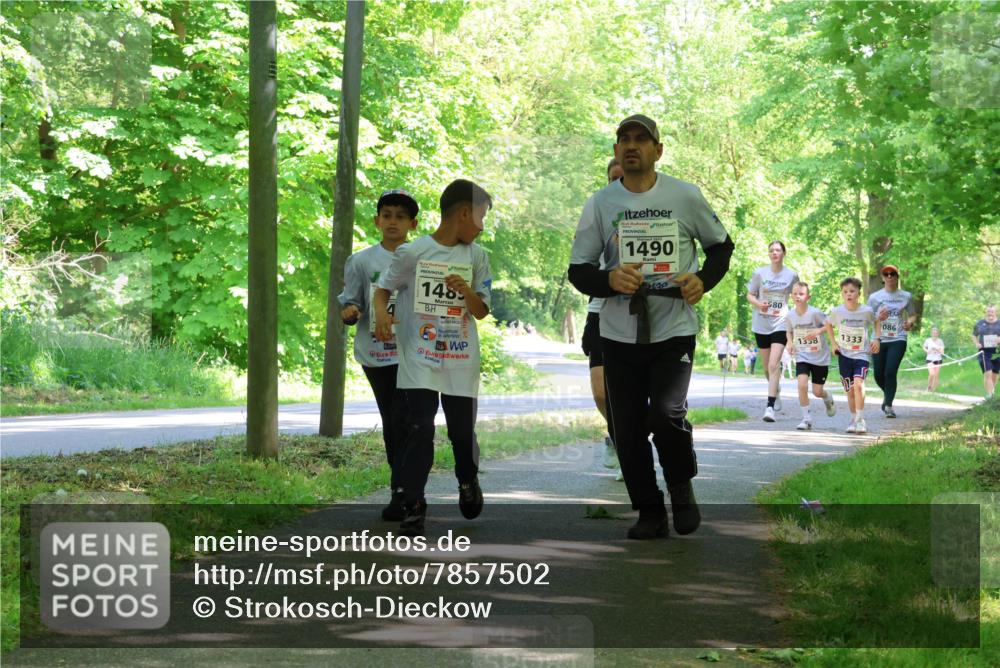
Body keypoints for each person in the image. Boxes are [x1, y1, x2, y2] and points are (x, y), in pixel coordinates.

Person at [568, 114, 734, 539]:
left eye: (642, 139)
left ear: (658, 150)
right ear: (616, 151)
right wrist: (608, 279)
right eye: (624, 139)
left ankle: (681, 489)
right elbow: (578, 270)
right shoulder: (600, 204)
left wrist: (703, 280)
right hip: (619, 331)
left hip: (673, 326)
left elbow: (721, 247)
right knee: (626, 425)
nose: (632, 145)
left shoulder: (684, 195)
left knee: (666, 413)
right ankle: (649, 510)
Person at [373, 179, 494, 536]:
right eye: (482, 217)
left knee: (460, 431)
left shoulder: (477, 257)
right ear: (464, 213)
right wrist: (381, 314)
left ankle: (467, 480)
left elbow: (482, 311)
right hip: (419, 358)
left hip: (460, 359)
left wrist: (467, 291)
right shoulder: (414, 253)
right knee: (418, 430)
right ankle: (414, 503)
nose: (483, 226)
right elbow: (383, 289)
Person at [338, 189, 419, 521]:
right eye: (386, 215)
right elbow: (349, 299)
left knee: (408, 419)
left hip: (415, 351)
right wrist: (351, 311)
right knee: (392, 418)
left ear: (413, 223)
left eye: (400, 216)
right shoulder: (362, 261)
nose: (392, 222)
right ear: (376, 220)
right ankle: (400, 488)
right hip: (377, 353)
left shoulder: (422, 257)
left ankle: (405, 490)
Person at [582, 157, 625, 474]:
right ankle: (620, 437)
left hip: (642, 315)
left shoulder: (654, 212)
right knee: (600, 391)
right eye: (612, 178)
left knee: (632, 391)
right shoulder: (595, 216)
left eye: (622, 177)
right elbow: (581, 268)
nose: (617, 183)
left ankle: (630, 439)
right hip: (600, 310)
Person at [747, 241, 799, 422]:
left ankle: (769, 407)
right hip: (761, 323)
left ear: (784, 253)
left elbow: (797, 295)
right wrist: (759, 303)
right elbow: (750, 294)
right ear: (768, 254)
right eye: (771, 250)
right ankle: (775, 391)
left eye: (777, 250)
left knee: (773, 364)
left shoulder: (792, 275)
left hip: (781, 323)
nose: (774, 253)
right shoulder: (759, 273)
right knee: (767, 368)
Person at [826, 277, 880, 434]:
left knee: (858, 384)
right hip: (845, 355)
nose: (849, 294)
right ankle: (853, 417)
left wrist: (877, 338)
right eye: (845, 292)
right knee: (849, 391)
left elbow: (877, 321)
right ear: (842, 294)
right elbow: (828, 324)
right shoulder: (837, 311)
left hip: (861, 354)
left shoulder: (866, 311)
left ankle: (861, 420)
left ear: (859, 293)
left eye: (852, 291)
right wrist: (834, 343)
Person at [785, 281, 836, 430]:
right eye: (795, 294)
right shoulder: (790, 315)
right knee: (801, 385)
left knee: (817, 391)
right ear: (791, 296)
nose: (797, 296)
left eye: (801, 294)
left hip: (820, 357)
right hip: (802, 355)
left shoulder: (814, 313)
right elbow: (789, 331)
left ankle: (827, 397)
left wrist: (817, 332)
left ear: (808, 297)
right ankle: (806, 419)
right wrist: (789, 342)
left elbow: (829, 325)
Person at [867, 265, 917, 418]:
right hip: (878, 338)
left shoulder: (906, 296)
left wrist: (910, 323)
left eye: (892, 274)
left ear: (897, 277)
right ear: (882, 278)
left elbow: (913, 314)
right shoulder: (874, 297)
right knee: (878, 375)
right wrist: (878, 318)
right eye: (886, 274)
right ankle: (888, 394)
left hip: (898, 338)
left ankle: (888, 405)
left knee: (890, 372)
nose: (889, 277)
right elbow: (867, 318)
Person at [972, 305, 1000, 398]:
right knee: (988, 373)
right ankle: (990, 395)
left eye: (992, 311)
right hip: (983, 352)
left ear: (995, 312)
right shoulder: (980, 323)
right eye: (988, 311)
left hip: (997, 352)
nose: (990, 313)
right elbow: (974, 335)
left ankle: (991, 391)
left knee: (994, 375)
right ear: (986, 312)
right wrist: (976, 344)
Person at [923, 327, 945, 392]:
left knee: (936, 375)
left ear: (938, 334)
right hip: (929, 359)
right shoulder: (928, 340)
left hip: (938, 359)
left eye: (936, 333)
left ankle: (933, 390)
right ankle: (929, 387)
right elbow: (924, 347)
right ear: (931, 333)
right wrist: (927, 351)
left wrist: (938, 349)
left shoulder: (940, 341)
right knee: (932, 373)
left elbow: (943, 352)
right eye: (933, 333)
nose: (935, 334)